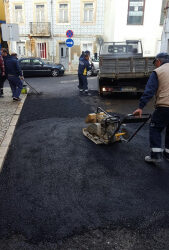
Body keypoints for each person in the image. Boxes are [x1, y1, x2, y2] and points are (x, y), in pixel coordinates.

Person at [133, 52, 169, 164]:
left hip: (165, 106)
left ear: (158, 61)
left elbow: (149, 91)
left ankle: (155, 155)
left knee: (155, 127)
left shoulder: (158, 72)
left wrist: (140, 107)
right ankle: (168, 154)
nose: (155, 65)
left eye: (155, 63)